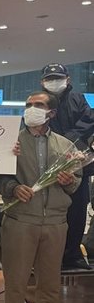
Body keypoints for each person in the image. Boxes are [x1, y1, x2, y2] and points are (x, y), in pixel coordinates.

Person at [0, 91, 79, 303]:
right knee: (16, 280)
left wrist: (69, 181)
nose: (31, 108)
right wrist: (12, 188)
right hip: (21, 220)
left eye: (38, 105)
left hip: (55, 222)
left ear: (51, 113)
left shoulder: (66, 146)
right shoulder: (10, 143)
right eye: (28, 104)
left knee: (50, 281)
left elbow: (76, 184)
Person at [40, 64, 94, 271]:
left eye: (58, 77)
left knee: (77, 212)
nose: (54, 82)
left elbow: (88, 122)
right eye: (50, 78)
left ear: (68, 79)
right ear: (43, 81)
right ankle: (50, 257)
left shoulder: (78, 99)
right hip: (47, 167)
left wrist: (69, 140)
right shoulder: (40, 101)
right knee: (50, 212)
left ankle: (72, 255)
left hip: (77, 164)